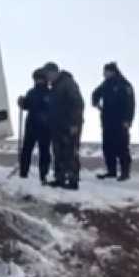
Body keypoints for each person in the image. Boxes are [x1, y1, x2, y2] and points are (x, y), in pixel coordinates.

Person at [41, 62, 84, 190]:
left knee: (70, 152)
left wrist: (75, 123)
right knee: (58, 152)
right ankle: (59, 178)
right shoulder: (54, 86)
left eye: (47, 74)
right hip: (57, 126)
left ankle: (72, 180)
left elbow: (77, 103)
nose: (47, 78)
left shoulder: (68, 83)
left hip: (69, 125)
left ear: (53, 72)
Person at [91, 62, 136, 181]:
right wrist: (96, 104)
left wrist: (128, 120)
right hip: (107, 120)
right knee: (108, 146)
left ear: (112, 71)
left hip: (120, 121)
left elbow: (131, 104)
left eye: (106, 72)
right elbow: (95, 93)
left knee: (122, 147)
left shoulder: (124, 84)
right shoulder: (106, 84)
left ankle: (125, 172)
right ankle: (111, 171)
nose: (104, 74)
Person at [17, 68, 52, 183]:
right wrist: (22, 102)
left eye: (40, 79)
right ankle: (23, 173)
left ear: (45, 80)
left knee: (44, 151)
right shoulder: (31, 92)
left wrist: (45, 118)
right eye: (36, 79)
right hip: (31, 125)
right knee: (26, 149)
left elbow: (52, 110)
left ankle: (44, 175)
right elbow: (26, 106)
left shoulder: (50, 93)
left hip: (45, 128)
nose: (38, 81)